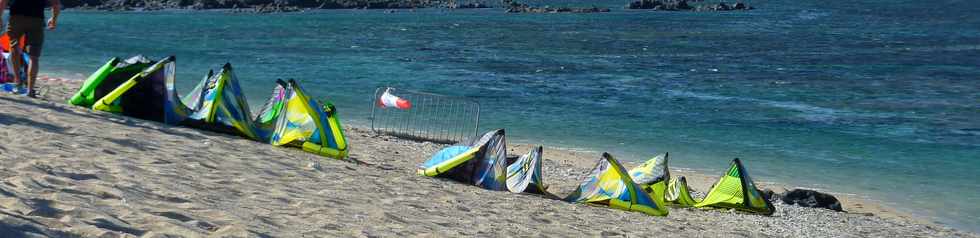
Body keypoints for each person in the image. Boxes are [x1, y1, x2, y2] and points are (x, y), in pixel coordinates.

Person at [0, 0, 59, 97]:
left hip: (16, 18)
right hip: (36, 20)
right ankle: (30, 90)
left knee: (14, 49)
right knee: (33, 56)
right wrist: (54, 19)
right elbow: (56, 3)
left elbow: (3, 1)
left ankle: (18, 84)